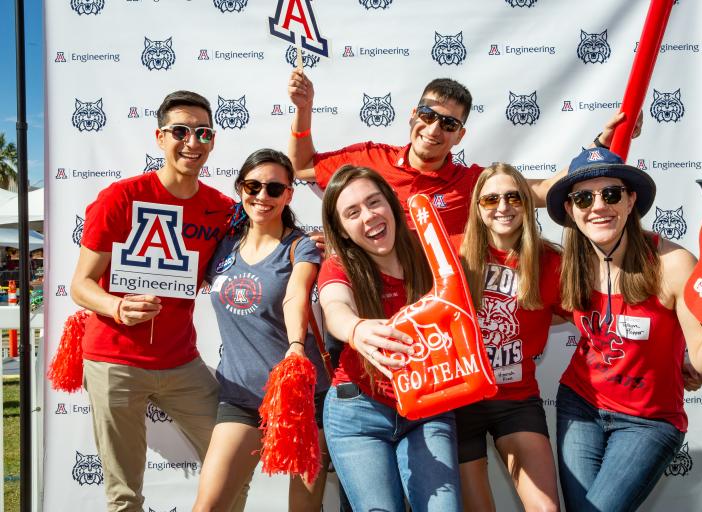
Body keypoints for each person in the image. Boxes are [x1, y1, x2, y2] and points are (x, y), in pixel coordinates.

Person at [70, 90, 248, 511]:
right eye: (181, 131)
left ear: (213, 140)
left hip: (181, 362)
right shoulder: (122, 197)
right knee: (124, 496)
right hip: (114, 362)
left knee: (234, 466)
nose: (192, 142)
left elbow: (257, 253)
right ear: (160, 137)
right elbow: (81, 284)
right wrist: (116, 306)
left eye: (203, 133)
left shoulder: (221, 210)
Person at [545, 147, 702, 512]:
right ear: (571, 211)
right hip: (579, 404)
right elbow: (538, 317)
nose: (598, 206)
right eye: (584, 197)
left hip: (648, 422)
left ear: (631, 201)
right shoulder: (568, 266)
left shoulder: (673, 263)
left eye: (611, 194)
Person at [192, 149, 331, 511]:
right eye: (253, 186)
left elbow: (296, 296)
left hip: (301, 399)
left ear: (288, 194)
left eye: (274, 188)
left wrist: (296, 344)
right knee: (208, 506)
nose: (262, 196)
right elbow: (176, 282)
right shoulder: (221, 247)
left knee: (303, 509)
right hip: (241, 398)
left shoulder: (300, 246)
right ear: (240, 189)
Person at [317, 165, 461, 512]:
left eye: (374, 202)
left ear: (392, 205)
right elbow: (334, 305)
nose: (368, 217)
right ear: (343, 231)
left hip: (427, 406)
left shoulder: (429, 251)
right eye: (352, 213)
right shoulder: (339, 266)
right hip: (358, 414)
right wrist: (355, 328)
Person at [286, 70, 577, 234]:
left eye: (449, 123)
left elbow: (547, 189)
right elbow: (301, 167)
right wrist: (304, 108)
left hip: (438, 315)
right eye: (427, 115)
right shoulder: (371, 158)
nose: (434, 129)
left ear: (460, 135)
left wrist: (599, 146)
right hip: (375, 305)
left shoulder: (473, 182)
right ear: (413, 115)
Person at [455, 163, 562, 511]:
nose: (503, 206)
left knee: (545, 508)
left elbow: (603, 313)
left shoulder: (550, 262)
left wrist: (678, 355)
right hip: (459, 401)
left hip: (516, 400)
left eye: (513, 196)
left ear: (527, 204)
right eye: (491, 199)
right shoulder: (453, 254)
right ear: (477, 207)